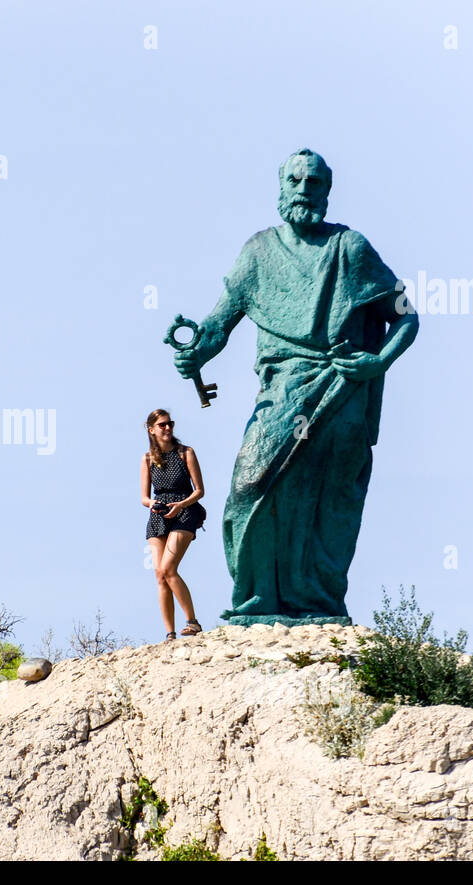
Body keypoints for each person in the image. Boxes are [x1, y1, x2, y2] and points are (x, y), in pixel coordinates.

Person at [174, 149, 418, 624]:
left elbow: (407, 316)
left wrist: (379, 362)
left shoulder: (351, 249)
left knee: (328, 497)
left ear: (328, 191)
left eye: (315, 183)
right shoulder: (259, 252)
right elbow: (219, 324)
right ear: (281, 187)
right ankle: (257, 600)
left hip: (341, 388)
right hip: (282, 391)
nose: (305, 190)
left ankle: (318, 604)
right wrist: (196, 352)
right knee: (249, 487)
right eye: (296, 181)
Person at [141, 409, 206, 641]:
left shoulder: (185, 452)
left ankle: (192, 622)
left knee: (169, 568)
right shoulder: (147, 459)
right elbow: (143, 497)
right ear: (152, 430)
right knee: (159, 575)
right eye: (162, 425)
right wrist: (152, 504)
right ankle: (170, 633)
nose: (167, 428)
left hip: (185, 511)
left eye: (170, 424)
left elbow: (199, 490)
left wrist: (180, 505)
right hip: (158, 514)